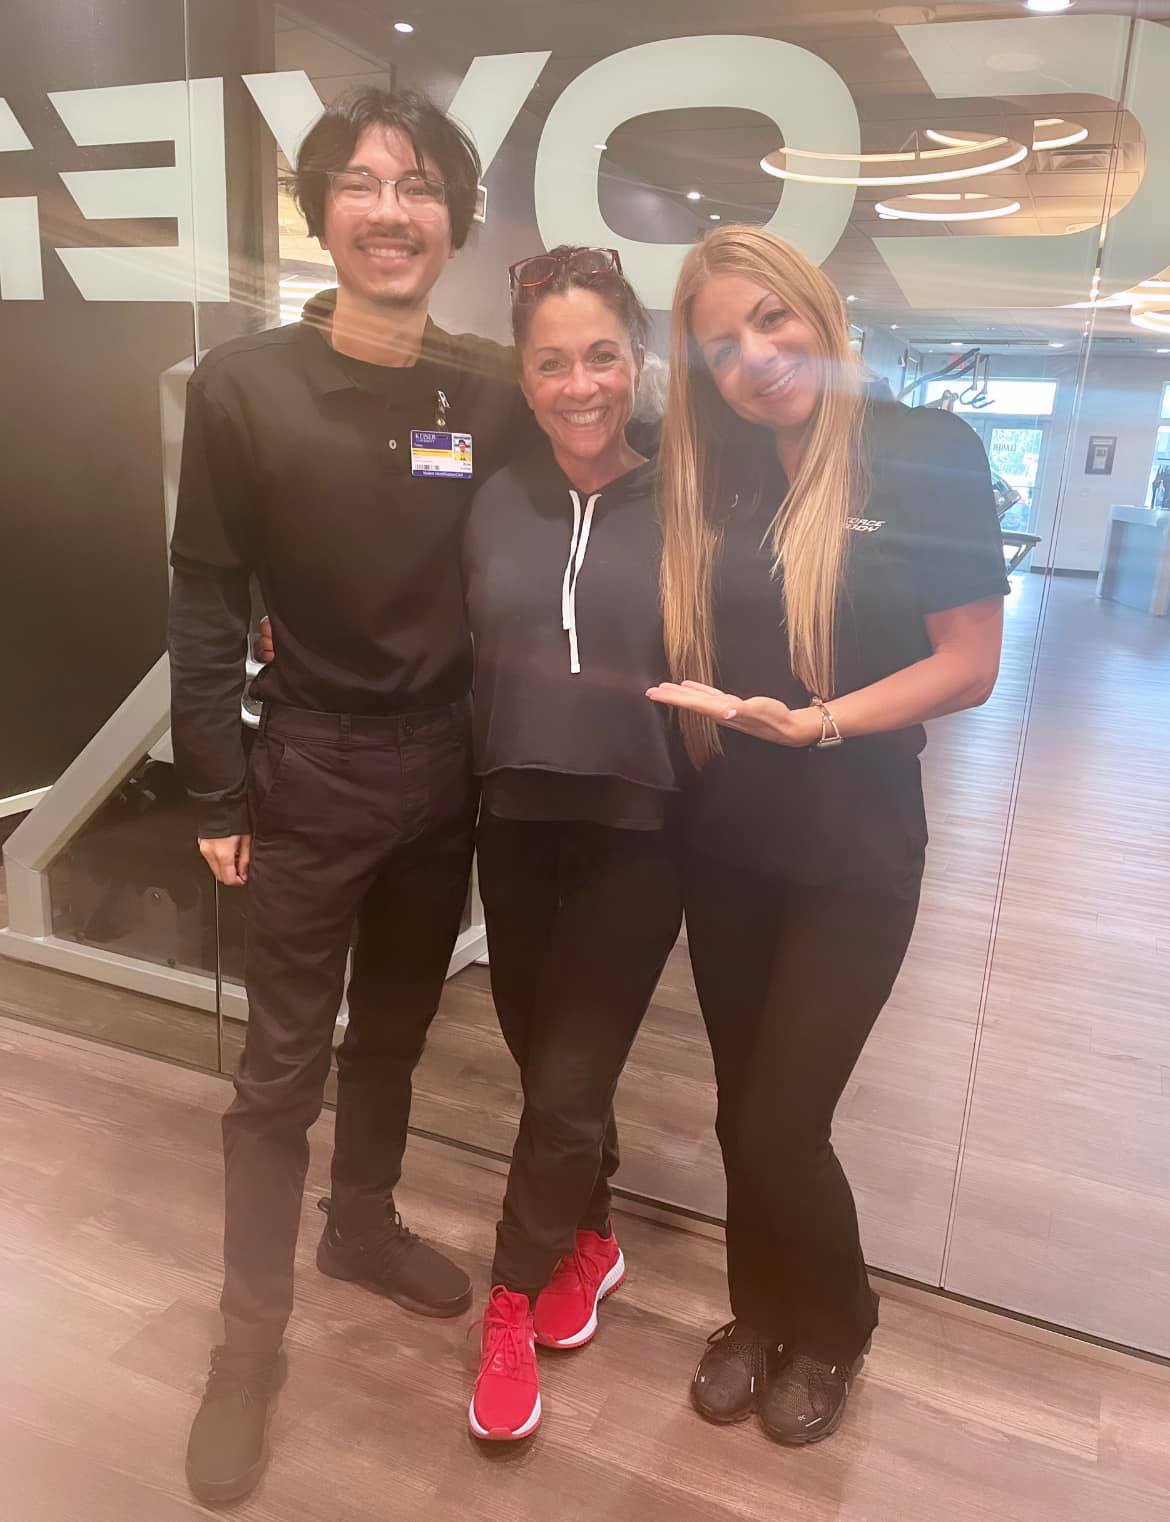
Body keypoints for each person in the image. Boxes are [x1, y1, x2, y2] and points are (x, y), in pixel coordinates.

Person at [168, 86, 530, 1505]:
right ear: (319, 212)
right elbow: (207, 593)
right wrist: (214, 783)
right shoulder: (245, 385)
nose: (391, 210)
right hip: (307, 764)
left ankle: (361, 1223)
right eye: (363, 184)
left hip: (445, 768)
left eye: (420, 185)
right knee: (277, 1076)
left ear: (456, 219)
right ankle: (243, 1345)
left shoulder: (487, 390)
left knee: (394, 1029)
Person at [647, 226, 1009, 1445]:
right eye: (721, 346)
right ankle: (758, 1315)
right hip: (728, 844)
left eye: (772, 319)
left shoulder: (925, 450)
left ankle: (839, 1322)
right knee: (737, 1106)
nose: (756, 357)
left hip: (856, 847)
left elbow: (970, 663)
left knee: (781, 1120)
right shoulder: (723, 475)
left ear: (818, 309)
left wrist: (821, 722)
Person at [461, 248, 681, 1442]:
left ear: (635, 361)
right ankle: (592, 1235)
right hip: (514, 819)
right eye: (553, 362)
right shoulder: (492, 496)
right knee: (545, 1061)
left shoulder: (691, 500)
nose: (580, 383)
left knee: (565, 1081)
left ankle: (508, 1299)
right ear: (524, 375)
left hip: (638, 829)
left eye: (602, 355)